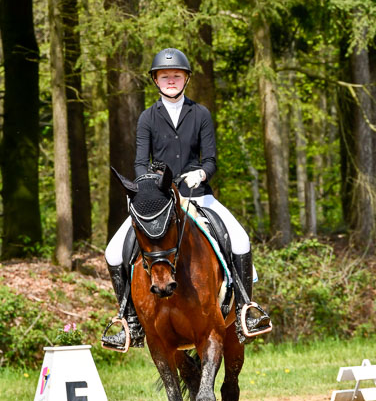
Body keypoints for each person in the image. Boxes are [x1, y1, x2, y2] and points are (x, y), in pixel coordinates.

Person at [102, 47, 271, 350]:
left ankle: (247, 310)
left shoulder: (201, 113)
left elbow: (212, 160)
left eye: (176, 76)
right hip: (161, 200)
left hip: (199, 196)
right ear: (156, 80)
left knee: (241, 240)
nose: (170, 80)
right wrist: (150, 185)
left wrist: (202, 175)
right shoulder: (147, 118)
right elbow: (140, 163)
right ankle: (128, 320)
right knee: (114, 252)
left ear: (186, 79)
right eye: (165, 76)